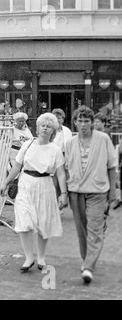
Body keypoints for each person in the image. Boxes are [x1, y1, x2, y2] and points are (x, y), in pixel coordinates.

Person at [0, 113, 67, 273]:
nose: (45, 128)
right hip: (26, 184)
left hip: (45, 186)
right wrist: (5, 182)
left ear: (53, 131)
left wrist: (63, 193)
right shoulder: (28, 145)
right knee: (23, 220)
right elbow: (16, 166)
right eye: (42, 125)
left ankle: (41, 257)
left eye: (48, 126)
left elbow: (61, 173)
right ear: (37, 127)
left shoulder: (55, 150)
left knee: (43, 222)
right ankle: (29, 257)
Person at [64, 106, 118, 285]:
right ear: (75, 122)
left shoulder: (103, 139)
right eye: (80, 121)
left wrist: (112, 191)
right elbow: (65, 168)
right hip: (76, 191)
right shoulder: (70, 143)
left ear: (92, 123)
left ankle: (88, 267)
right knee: (82, 230)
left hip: (97, 191)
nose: (83, 124)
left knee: (95, 228)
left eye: (87, 121)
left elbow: (111, 165)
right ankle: (86, 259)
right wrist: (63, 193)